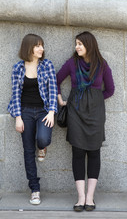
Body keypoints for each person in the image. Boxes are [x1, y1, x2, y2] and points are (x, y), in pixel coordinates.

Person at [56, 31, 114, 212]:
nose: (77, 47)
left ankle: (90, 197)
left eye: (80, 43)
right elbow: (55, 80)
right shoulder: (71, 64)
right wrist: (61, 100)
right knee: (78, 152)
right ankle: (80, 197)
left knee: (94, 152)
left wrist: (94, 99)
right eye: (76, 43)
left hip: (95, 114)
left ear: (89, 44)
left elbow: (110, 90)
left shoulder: (102, 65)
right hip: (75, 113)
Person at [7, 34, 58, 205]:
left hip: (44, 110)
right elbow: (15, 94)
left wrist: (51, 112)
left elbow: (52, 89)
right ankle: (35, 189)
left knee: (43, 138)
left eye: (42, 45)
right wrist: (18, 118)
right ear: (28, 47)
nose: (41, 49)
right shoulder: (18, 68)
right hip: (25, 112)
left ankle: (42, 147)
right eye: (37, 46)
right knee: (28, 151)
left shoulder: (47, 65)